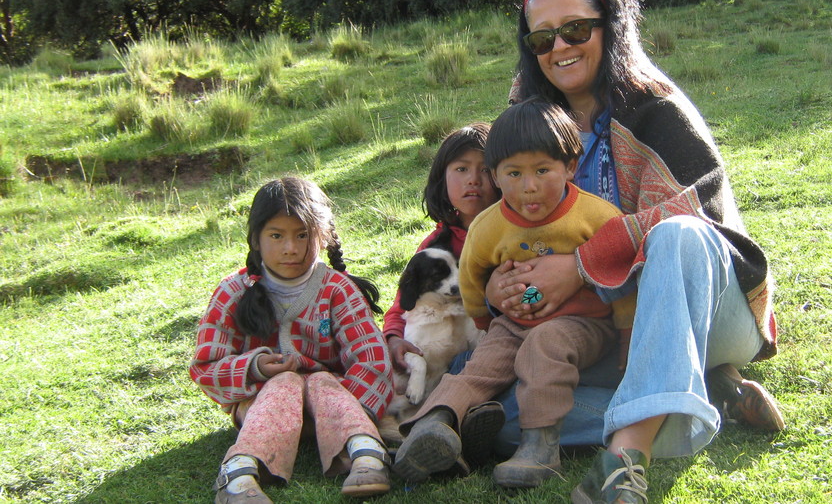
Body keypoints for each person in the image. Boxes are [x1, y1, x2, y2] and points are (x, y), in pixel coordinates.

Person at [485, 0, 784, 503]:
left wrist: (577, 266)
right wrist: (504, 285)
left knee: (677, 236)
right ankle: (701, 395)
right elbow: (500, 224)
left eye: (577, 30)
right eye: (542, 38)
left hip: (711, 312)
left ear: (611, 28)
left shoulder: (655, 106)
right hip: (596, 325)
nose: (560, 47)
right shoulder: (527, 121)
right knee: (505, 415)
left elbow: (701, 204)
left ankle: (625, 459)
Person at [392, 97, 637, 489]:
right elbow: (471, 276)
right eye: (514, 174)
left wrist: (626, 337)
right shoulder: (489, 225)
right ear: (497, 176)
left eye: (543, 170)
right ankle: (433, 426)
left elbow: (623, 277)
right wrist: (487, 322)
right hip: (512, 322)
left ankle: (540, 446)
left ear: (571, 166)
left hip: (583, 324)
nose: (530, 187)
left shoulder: (596, 217)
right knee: (479, 367)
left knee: (545, 344)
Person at [189, 177, 394, 503]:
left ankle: (367, 456)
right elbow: (206, 366)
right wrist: (254, 366)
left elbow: (372, 361)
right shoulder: (233, 291)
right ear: (255, 240)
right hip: (258, 405)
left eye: (303, 235)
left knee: (321, 382)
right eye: (276, 235)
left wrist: (347, 411)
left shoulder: (337, 290)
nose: (291, 248)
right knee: (285, 382)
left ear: (323, 237)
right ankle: (238, 477)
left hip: (332, 406)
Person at [380, 123, 504, 469]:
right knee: (454, 371)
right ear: (442, 178)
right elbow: (401, 304)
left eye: (484, 170)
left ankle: (444, 433)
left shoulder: (512, 231)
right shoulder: (435, 248)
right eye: (461, 169)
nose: (473, 180)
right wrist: (393, 338)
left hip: (500, 346)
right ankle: (442, 435)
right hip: (452, 360)